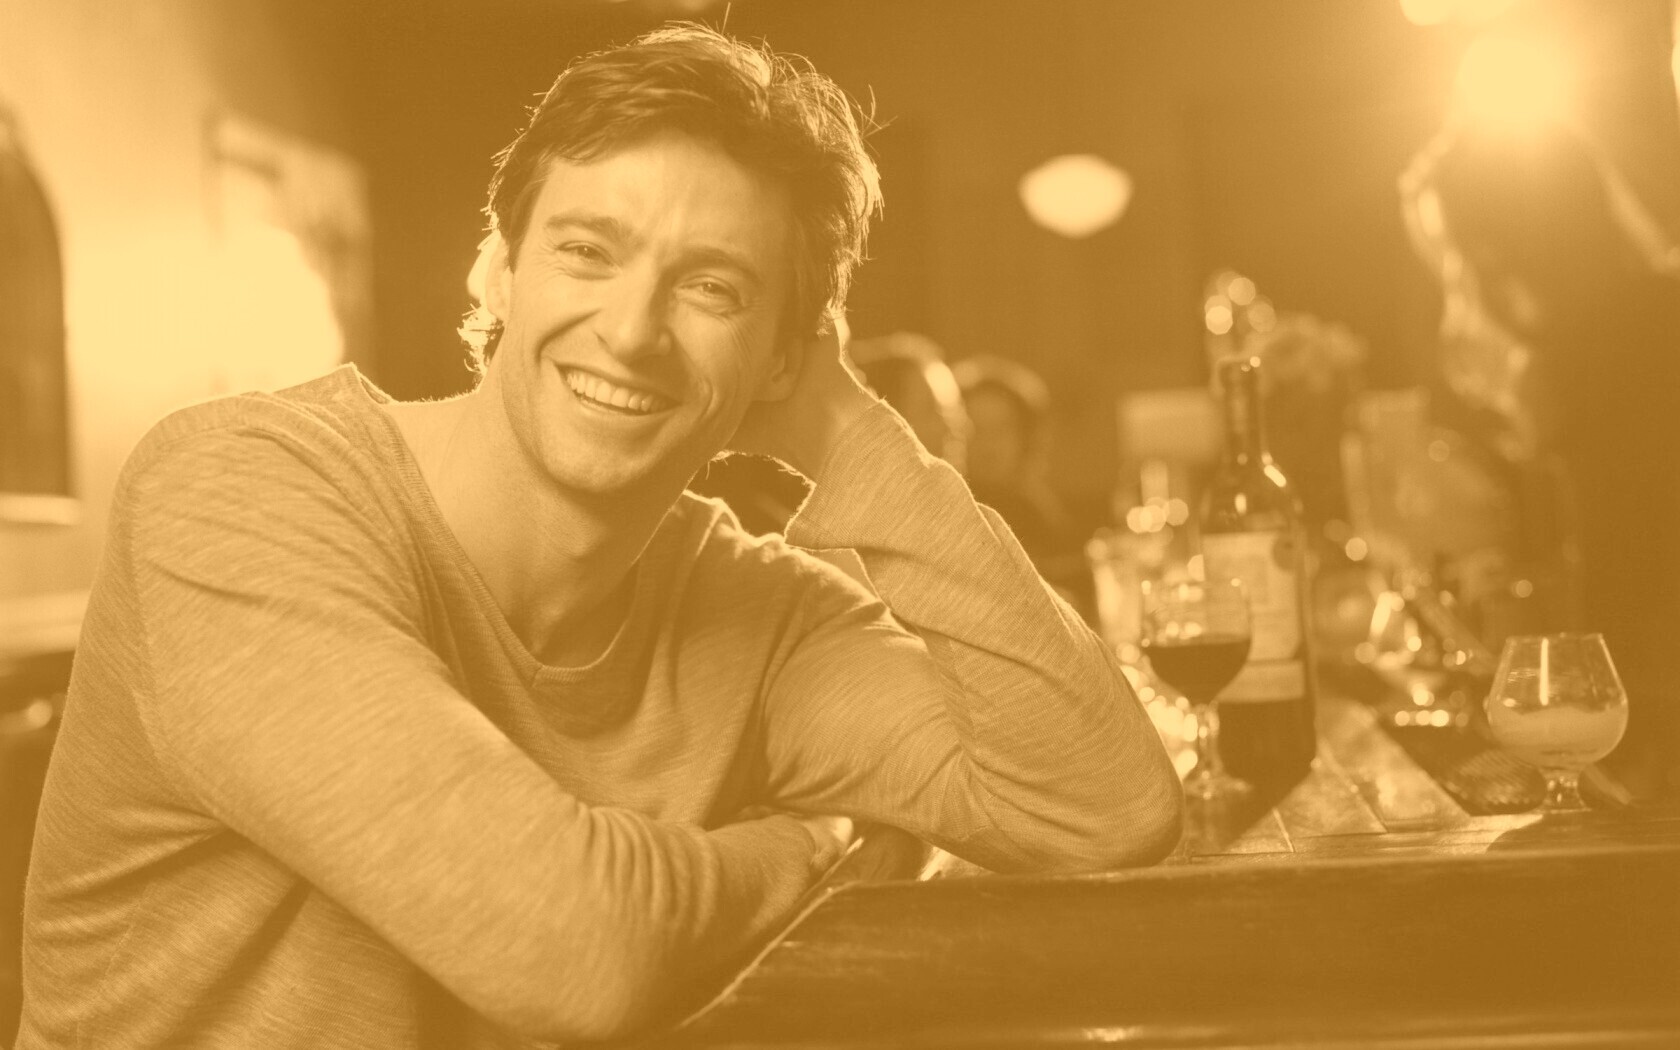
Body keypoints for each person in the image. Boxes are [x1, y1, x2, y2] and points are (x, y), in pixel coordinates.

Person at [19, 24, 1181, 1049]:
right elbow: (570, 948)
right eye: (587, 250)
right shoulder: (236, 491)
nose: (630, 331)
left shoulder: (757, 614)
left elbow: (1103, 807)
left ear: (784, 356)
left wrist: (847, 430)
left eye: (712, 288)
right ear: (498, 270)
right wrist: (819, 845)